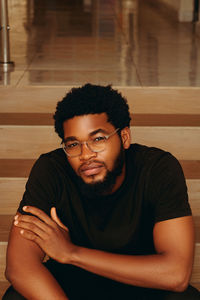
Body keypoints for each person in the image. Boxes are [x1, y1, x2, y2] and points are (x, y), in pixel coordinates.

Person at [3, 84, 200, 300]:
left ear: (124, 137)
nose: (85, 155)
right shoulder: (51, 170)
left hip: (142, 286)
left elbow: (176, 275)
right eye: (73, 144)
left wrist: (71, 253)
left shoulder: (158, 169)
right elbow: (19, 266)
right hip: (71, 289)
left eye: (98, 139)